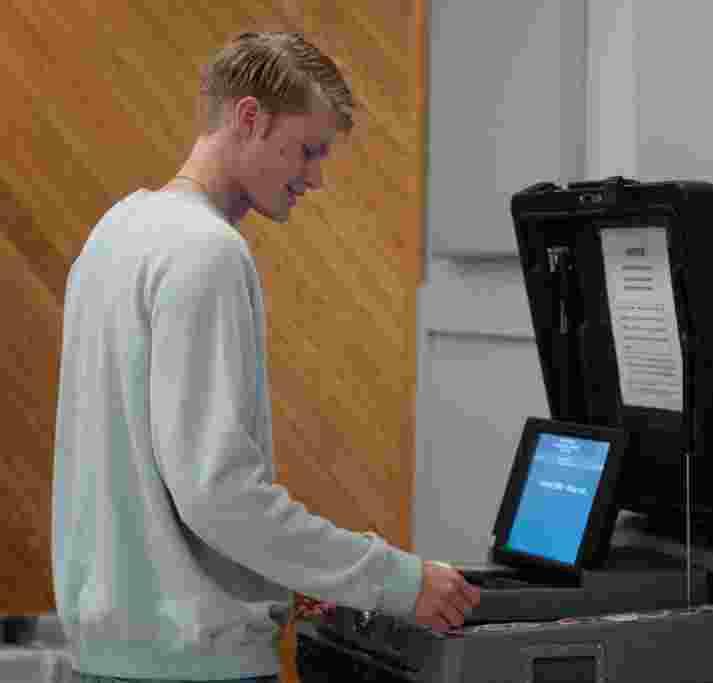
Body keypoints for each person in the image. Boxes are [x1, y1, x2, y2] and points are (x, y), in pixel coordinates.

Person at [51, 31, 480, 683]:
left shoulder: (114, 234)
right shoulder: (206, 252)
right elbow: (219, 493)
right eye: (307, 150)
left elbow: (153, 485)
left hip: (105, 658)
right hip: (193, 669)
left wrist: (299, 581)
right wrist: (398, 578)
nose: (314, 177)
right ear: (250, 117)